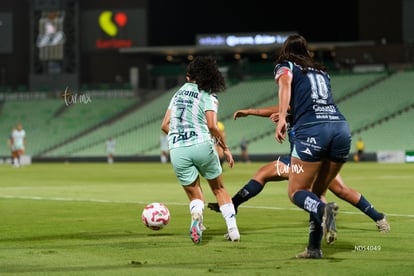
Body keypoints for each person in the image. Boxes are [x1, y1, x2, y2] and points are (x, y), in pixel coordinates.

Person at [208, 106, 390, 235]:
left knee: (269, 177)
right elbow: (278, 109)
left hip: (305, 156)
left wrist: (256, 113)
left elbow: (280, 109)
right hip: (318, 153)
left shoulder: (300, 102)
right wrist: (253, 113)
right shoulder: (309, 103)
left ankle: (232, 205)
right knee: (339, 190)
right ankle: (378, 218)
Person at [274, 34, 352, 259]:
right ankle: (314, 248)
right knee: (316, 193)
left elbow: (285, 83)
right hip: (340, 129)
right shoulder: (321, 71)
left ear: (286, 50)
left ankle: (324, 211)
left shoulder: (286, 65)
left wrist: (281, 117)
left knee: (297, 192)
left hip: (313, 130)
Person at [160, 56, 240, 244]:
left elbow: (165, 125)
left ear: (189, 77)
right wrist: (225, 148)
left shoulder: (178, 94)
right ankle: (233, 230)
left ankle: (197, 217)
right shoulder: (208, 94)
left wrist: (180, 138)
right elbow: (213, 126)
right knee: (219, 189)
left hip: (177, 148)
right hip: (202, 144)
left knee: (195, 193)